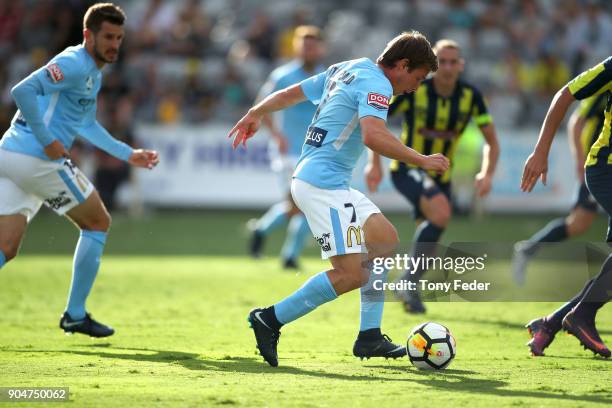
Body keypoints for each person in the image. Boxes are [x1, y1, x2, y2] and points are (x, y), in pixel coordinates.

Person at [229, 31, 448, 367]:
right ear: (402, 65)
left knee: (384, 239)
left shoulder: (348, 67)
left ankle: (369, 336)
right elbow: (374, 136)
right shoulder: (379, 86)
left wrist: (255, 112)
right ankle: (270, 319)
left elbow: (292, 93)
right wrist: (422, 160)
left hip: (329, 182)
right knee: (351, 273)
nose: (415, 86)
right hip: (322, 185)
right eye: (417, 78)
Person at [0, 3, 159, 338]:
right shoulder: (73, 62)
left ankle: (75, 314)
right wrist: (46, 141)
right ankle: (74, 314)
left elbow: (86, 124)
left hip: (11, 156)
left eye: (119, 37)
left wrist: (128, 154)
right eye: (107, 37)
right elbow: (22, 90)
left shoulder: (92, 73)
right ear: (88, 35)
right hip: (36, 158)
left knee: (6, 247)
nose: (114, 44)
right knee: (97, 221)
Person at [367, 39, 500, 314]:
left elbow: (492, 142)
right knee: (441, 213)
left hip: (441, 176)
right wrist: (375, 164)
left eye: (454, 62)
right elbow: (375, 122)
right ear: (435, 64)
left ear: (461, 65)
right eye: (443, 61)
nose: (448, 67)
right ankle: (407, 282)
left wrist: (486, 173)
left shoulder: (471, 97)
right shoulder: (415, 89)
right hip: (408, 169)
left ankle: (409, 287)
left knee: (429, 238)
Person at [521, 56, 611, 358]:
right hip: (606, 167)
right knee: (580, 222)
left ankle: (551, 324)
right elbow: (565, 95)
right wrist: (541, 151)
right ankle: (581, 315)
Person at [249, 26, 325, 269]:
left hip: (314, 151)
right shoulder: (283, 75)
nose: (308, 49)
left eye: (312, 45)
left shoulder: (327, 76)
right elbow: (261, 106)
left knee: (301, 205)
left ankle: (262, 230)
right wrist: (277, 135)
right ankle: (289, 255)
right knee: (302, 205)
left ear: (320, 48)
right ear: (296, 47)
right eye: (304, 44)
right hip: (288, 151)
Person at [513, 93, 607, 285]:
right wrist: (580, 159)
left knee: (580, 223)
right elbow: (576, 121)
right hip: (602, 167)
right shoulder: (606, 86)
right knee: (579, 223)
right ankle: (529, 248)